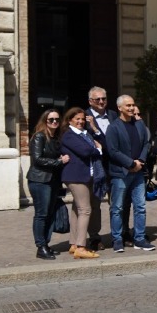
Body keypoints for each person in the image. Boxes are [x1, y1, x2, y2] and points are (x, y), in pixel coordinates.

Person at [104, 95, 155, 253]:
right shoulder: (113, 127)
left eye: (133, 105)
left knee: (140, 207)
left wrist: (140, 161)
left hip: (138, 173)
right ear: (120, 108)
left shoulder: (139, 124)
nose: (132, 108)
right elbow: (112, 151)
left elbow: (146, 143)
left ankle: (139, 238)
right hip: (120, 174)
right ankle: (117, 239)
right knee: (117, 208)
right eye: (128, 106)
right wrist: (130, 163)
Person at [59, 106, 102, 259]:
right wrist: (97, 149)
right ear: (70, 120)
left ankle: (73, 244)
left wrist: (94, 134)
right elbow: (85, 151)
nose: (81, 121)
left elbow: (96, 143)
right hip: (76, 176)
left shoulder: (85, 133)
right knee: (85, 210)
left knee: (77, 210)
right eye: (77, 119)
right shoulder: (69, 135)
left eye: (83, 119)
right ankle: (81, 247)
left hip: (86, 175)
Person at [26, 109, 69, 259]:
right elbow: (37, 159)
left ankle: (45, 243)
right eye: (51, 120)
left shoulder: (56, 138)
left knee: (49, 214)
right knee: (41, 214)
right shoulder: (39, 137)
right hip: (39, 180)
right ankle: (40, 246)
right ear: (45, 121)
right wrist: (58, 161)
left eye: (57, 119)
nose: (55, 122)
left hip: (52, 181)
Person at [84, 86, 112, 251]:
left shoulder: (114, 116)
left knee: (117, 203)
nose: (101, 102)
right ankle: (94, 238)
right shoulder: (83, 118)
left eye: (104, 99)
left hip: (114, 166)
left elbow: (112, 144)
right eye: (97, 99)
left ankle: (121, 234)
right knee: (94, 204)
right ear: (90, 101)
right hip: (95, 167)